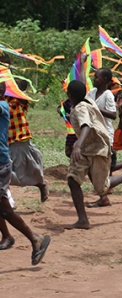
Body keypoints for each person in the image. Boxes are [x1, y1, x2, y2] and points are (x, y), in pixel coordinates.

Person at [65, 80, 122, 229]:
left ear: (69, 95)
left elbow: (86, 125)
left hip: (97, 148)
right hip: (85, 149)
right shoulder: (87, 99)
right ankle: (83, 220)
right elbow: (82, 82)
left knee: (101, 188)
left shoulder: (81, 108)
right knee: (72, 180)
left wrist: (77, 144)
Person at [0, 94, 51, 265]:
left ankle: (35, 239)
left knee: (5, 209)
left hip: (3, 163)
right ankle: (9, 236)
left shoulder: (4, 106)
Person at [0, 79, 49, 203]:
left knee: (22, 174)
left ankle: (40, 184)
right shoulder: (4, 99)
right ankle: (7, 200)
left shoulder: (20, 101)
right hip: (6, 143)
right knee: (8, 174)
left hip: (19, 141)